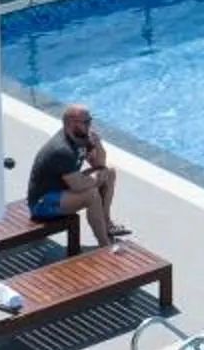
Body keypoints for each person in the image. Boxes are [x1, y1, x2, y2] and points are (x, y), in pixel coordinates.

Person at [28, 103, 130, 245]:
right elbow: (78, 186)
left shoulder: (81, 138)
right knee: (91, 195)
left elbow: (99, 165)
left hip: (64, 189)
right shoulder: (62, 150)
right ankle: (104, 244)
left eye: (90, 121)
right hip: (42, 203)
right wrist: (95, 179)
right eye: (86, 122)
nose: (90, 125)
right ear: (72, 123)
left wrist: (98, 143)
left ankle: (107, 224)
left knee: (109, 173)